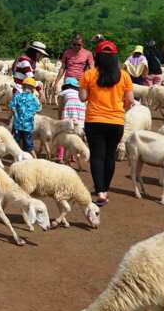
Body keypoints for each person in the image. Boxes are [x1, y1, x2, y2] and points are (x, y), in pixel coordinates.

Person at [79, 40, 135, 207]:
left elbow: (82, 98)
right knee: (110, 156)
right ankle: (105, 189)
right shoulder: (124, 75)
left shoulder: (89, 74)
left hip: (94, 121)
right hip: (116, 121)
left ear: (97, 56)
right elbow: (130, 100)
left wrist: (90, 94)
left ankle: (100, 192)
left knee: (97, 156)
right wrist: (120, 107)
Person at [55, 77, 86, 163]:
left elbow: (60, 107)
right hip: (80, 114)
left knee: (64, 134)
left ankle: (60, 156)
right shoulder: (78, 92)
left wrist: (59, 119)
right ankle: (72, 156)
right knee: (75, 134)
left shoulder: (63, 92)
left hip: (69, 112)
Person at [8, 77, 41, 153]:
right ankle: (34, 158)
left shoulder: (17, 96)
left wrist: (15, 115)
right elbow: (38, 109)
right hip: (28, 126)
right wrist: (31, 113)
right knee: (29, 145)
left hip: (17, 125)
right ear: (33, 88)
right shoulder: (34, 98)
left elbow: (12, 107)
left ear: (23, 86)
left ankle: (17, 158)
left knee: (16, 143)